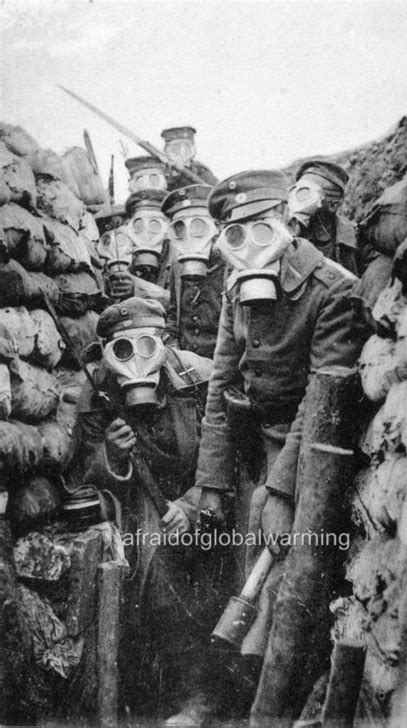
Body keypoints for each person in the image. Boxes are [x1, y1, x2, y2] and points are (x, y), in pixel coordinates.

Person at [194, 169, 364, 694]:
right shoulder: (233, 289)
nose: (250, 247)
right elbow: (222, 382)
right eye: (234, 235)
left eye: (262, 229)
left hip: (310, 452)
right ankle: (224, 691)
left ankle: (264, 699)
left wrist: (282, 490)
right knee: (235, 562)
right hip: (253, 445)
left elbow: (322, 397)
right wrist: (210, 482)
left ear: (289, 224)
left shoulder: (334, 288)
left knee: (281, 582)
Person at [70, 297, 223, 724]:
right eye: (121, 349)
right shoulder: (97, 391)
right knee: (147, 572)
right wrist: (113, 456)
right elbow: (83, 469)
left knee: (183, 576)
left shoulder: (199, 377)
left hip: (206, 495)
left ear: (165, 343)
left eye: (147, 345)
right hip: (137, 504)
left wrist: (193, 505)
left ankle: (199, 697)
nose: (135, 359)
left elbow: (228, 451)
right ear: (105, 355)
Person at [162, 184, 226, 359]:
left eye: (199, 225)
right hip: (187, 363)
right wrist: (176, 353)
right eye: (180, 228)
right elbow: (174, 317)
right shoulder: (178, 265)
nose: (190, 234)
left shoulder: (233, 265)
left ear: (217, 228)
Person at [288, 158, 361, 275]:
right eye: (297, 191)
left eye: (308, 194)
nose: (299, 200)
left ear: (333, 205)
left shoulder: (356, 238)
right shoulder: (282, 235)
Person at [105, 189, 174, 307]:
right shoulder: (129, 259)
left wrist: (137, 288)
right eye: (138, 224)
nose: (145, 232)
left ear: (168, 227)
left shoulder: (180, 260)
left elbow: (185, 305)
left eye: (154, 225)